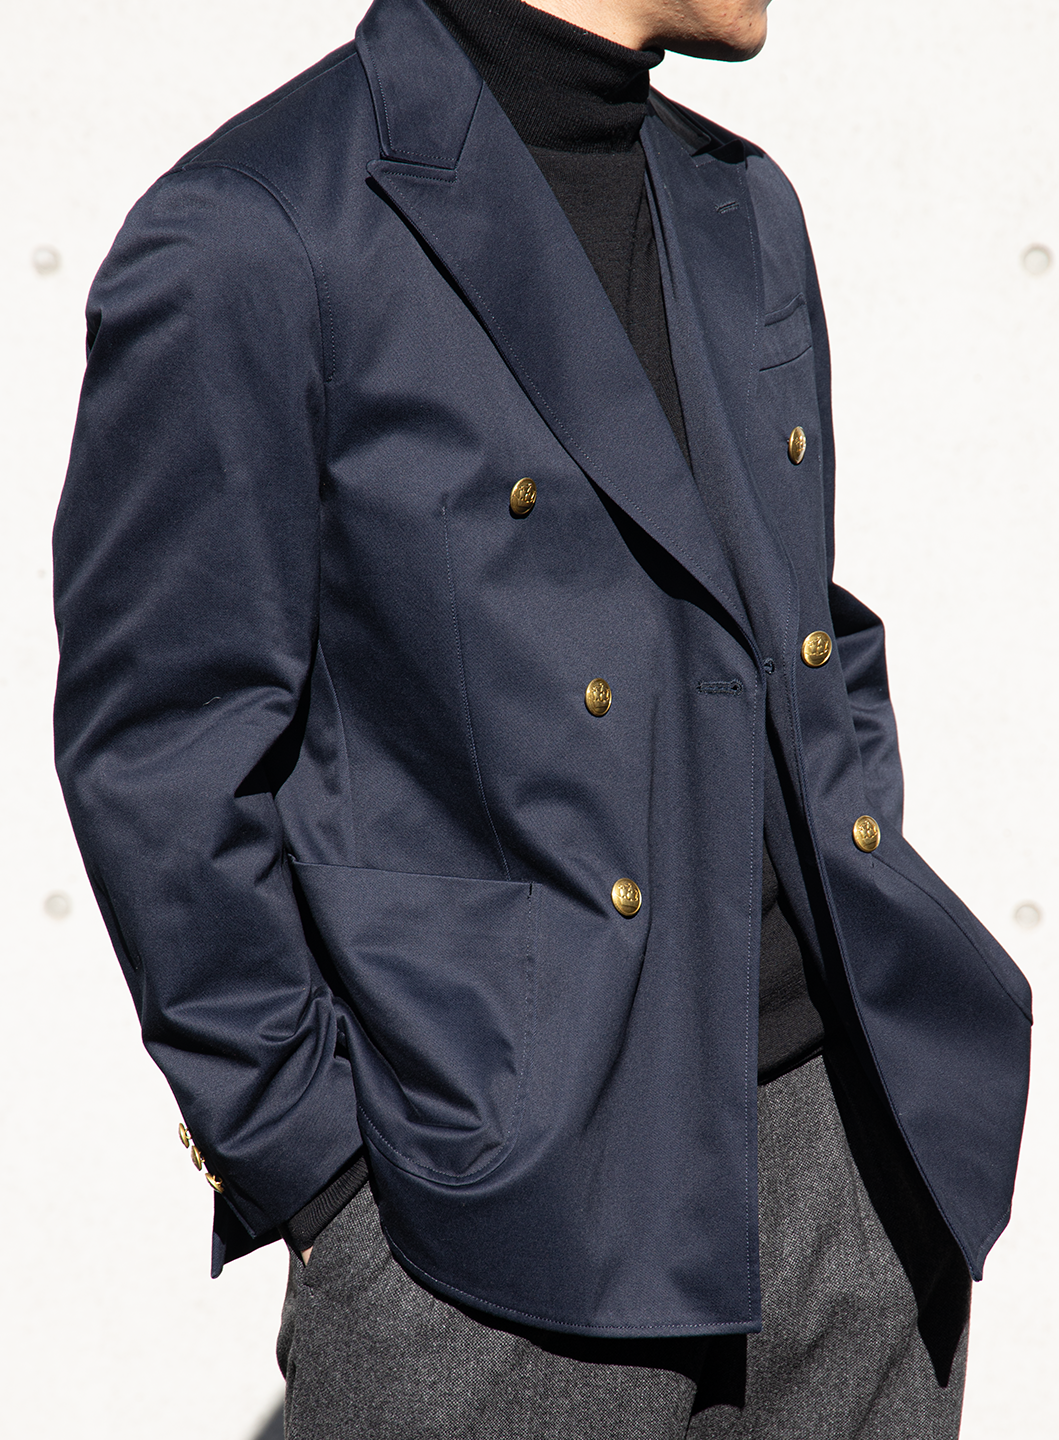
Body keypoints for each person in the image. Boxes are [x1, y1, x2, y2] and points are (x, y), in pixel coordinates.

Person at [52, 0, 1032, 1434]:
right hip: (501, 1236)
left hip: (850, 1169)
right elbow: (160, 751)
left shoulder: (745, 205)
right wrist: (324, 1180)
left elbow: (791, 635)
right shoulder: (257, 231)